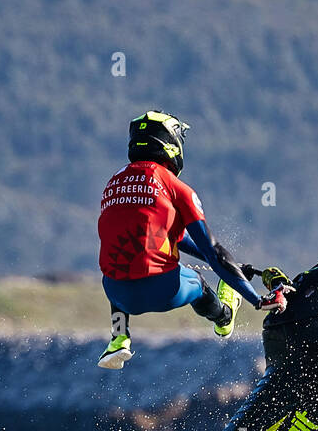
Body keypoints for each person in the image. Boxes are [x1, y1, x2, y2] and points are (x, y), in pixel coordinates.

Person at [97, 111, 292, 367]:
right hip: (162, 291)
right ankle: (224, 318)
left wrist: (235, 268)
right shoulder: (176, 188)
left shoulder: (113, 184)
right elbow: (214, 252)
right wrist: (255, 298)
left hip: (116, 293)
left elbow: (161, 239)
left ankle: (119, 338)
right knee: (198, 282)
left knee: (120, 260)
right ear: (170, 143)